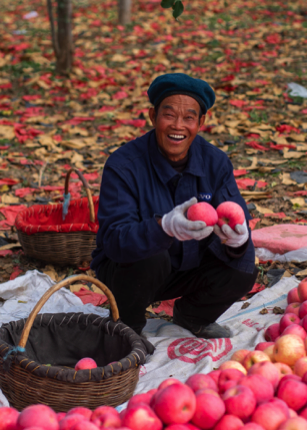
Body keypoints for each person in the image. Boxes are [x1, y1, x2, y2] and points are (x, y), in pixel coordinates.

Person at [92, 73, 257, 339]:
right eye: (169, 115)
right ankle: (128, 327)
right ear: (152, 116)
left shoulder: (215, 163)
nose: (178, 126)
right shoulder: (123, 165)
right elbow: (113, 241)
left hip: (189, 265)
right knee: (150, 254)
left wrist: (237, 239)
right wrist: (164, 228)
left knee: (244, 261)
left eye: (189, 117)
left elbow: (234, 211)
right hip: (130, 275)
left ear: (201, 122)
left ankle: (193, 314)